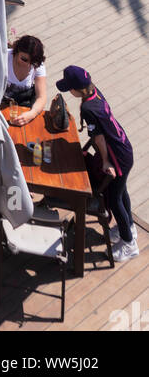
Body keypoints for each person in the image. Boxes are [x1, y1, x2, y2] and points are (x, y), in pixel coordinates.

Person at [55, 66, 137, 263]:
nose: (69, 92)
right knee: (122, 192)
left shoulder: (87, 108)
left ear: (76, 90)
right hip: (124, 148)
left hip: (116, 158)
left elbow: (99, 138)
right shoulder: (94, 92)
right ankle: (130, 227)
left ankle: (129, 243)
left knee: (114, 199)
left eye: (69, 88)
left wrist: (106, 161)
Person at [1, 34, 47, 123]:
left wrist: (32, 114)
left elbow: (41, 96)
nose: (28, 64)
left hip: (22, 106)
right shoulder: (4, 57)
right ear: (16, 51)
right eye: (24, 59)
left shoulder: (38, 66)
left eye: (33, 62)